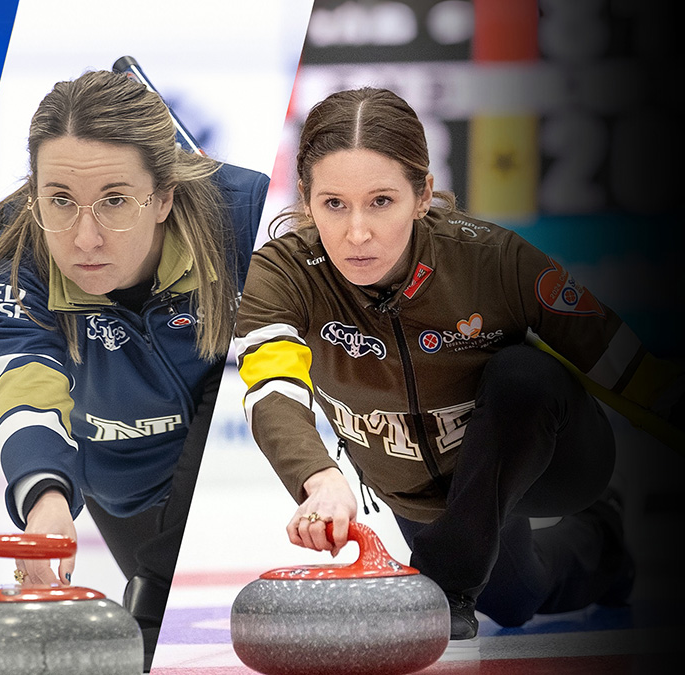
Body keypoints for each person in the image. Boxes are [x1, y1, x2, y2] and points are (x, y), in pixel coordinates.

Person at [234, 86, 682, 644]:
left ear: (422, 195)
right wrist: (318, 476)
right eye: (333, 204)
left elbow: (628, 368)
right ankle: (605, 545)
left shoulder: (494, 261)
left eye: (381, 201)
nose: (357, 233)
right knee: (517, 599)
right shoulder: (281, 276)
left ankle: (447, 584)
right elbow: (272, 384)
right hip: (428, 498)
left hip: (550, 461)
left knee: (523, 374)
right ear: (305, 197)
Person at [0, 70, 270, 671]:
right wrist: (44, 499)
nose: (85, 238)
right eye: (60, 201)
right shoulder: (12, 251)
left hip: (213, 443)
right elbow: (24, 384)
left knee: (151, 613)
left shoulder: (246, 215)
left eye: (116, 201)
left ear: (166, 196)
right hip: (111, 474)